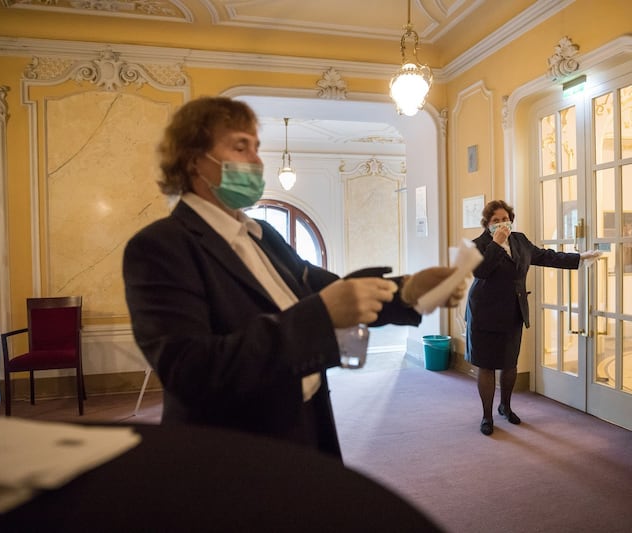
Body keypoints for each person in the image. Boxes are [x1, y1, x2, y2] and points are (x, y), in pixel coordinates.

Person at [123, 96, 465, 460]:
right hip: (230, 449)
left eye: (256, 148)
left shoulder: (264, 235)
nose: (256, 161)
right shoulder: (160, 247)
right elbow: (190, 371)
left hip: (304, 423)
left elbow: (333, 290)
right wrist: (320, 316)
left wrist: (408, 291)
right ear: (194, 160)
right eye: (241, 146)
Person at [465, 199, 600, 436]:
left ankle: (505, 406)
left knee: (509, 364)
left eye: (505, 219)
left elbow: (545, 256)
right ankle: (487, 416)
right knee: (486, 365)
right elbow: (481, 271)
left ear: (511, 220)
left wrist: (580, 258)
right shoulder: (477, 245)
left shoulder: (520, 240)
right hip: (483, 312)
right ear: (487, 224)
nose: (502, 224)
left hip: (512, 311)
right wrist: (496, 244)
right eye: (495, 220)